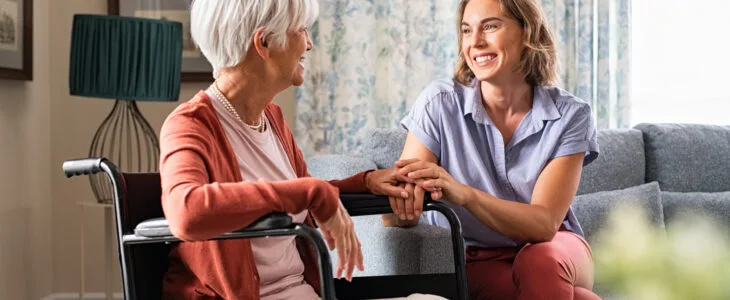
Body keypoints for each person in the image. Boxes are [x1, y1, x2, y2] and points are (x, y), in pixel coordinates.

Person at [158, 1, 411, 299]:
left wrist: (365, 183)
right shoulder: (190, 124)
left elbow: (294, 196)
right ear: (264, 42)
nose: (310, 43)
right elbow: (186, 213)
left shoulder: (273, 119)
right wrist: (309, 192)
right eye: (302, 30)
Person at [386, 0, 601, 299]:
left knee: (539, 262)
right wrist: (402, 203)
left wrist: (465, 194)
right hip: (478, 257)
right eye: (466, 30)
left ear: (528, 32)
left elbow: (543, 225)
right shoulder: (439, 104)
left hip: (556, 249)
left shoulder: (570, 115)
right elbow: (398, 211)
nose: (475, 42)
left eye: (490, 26)